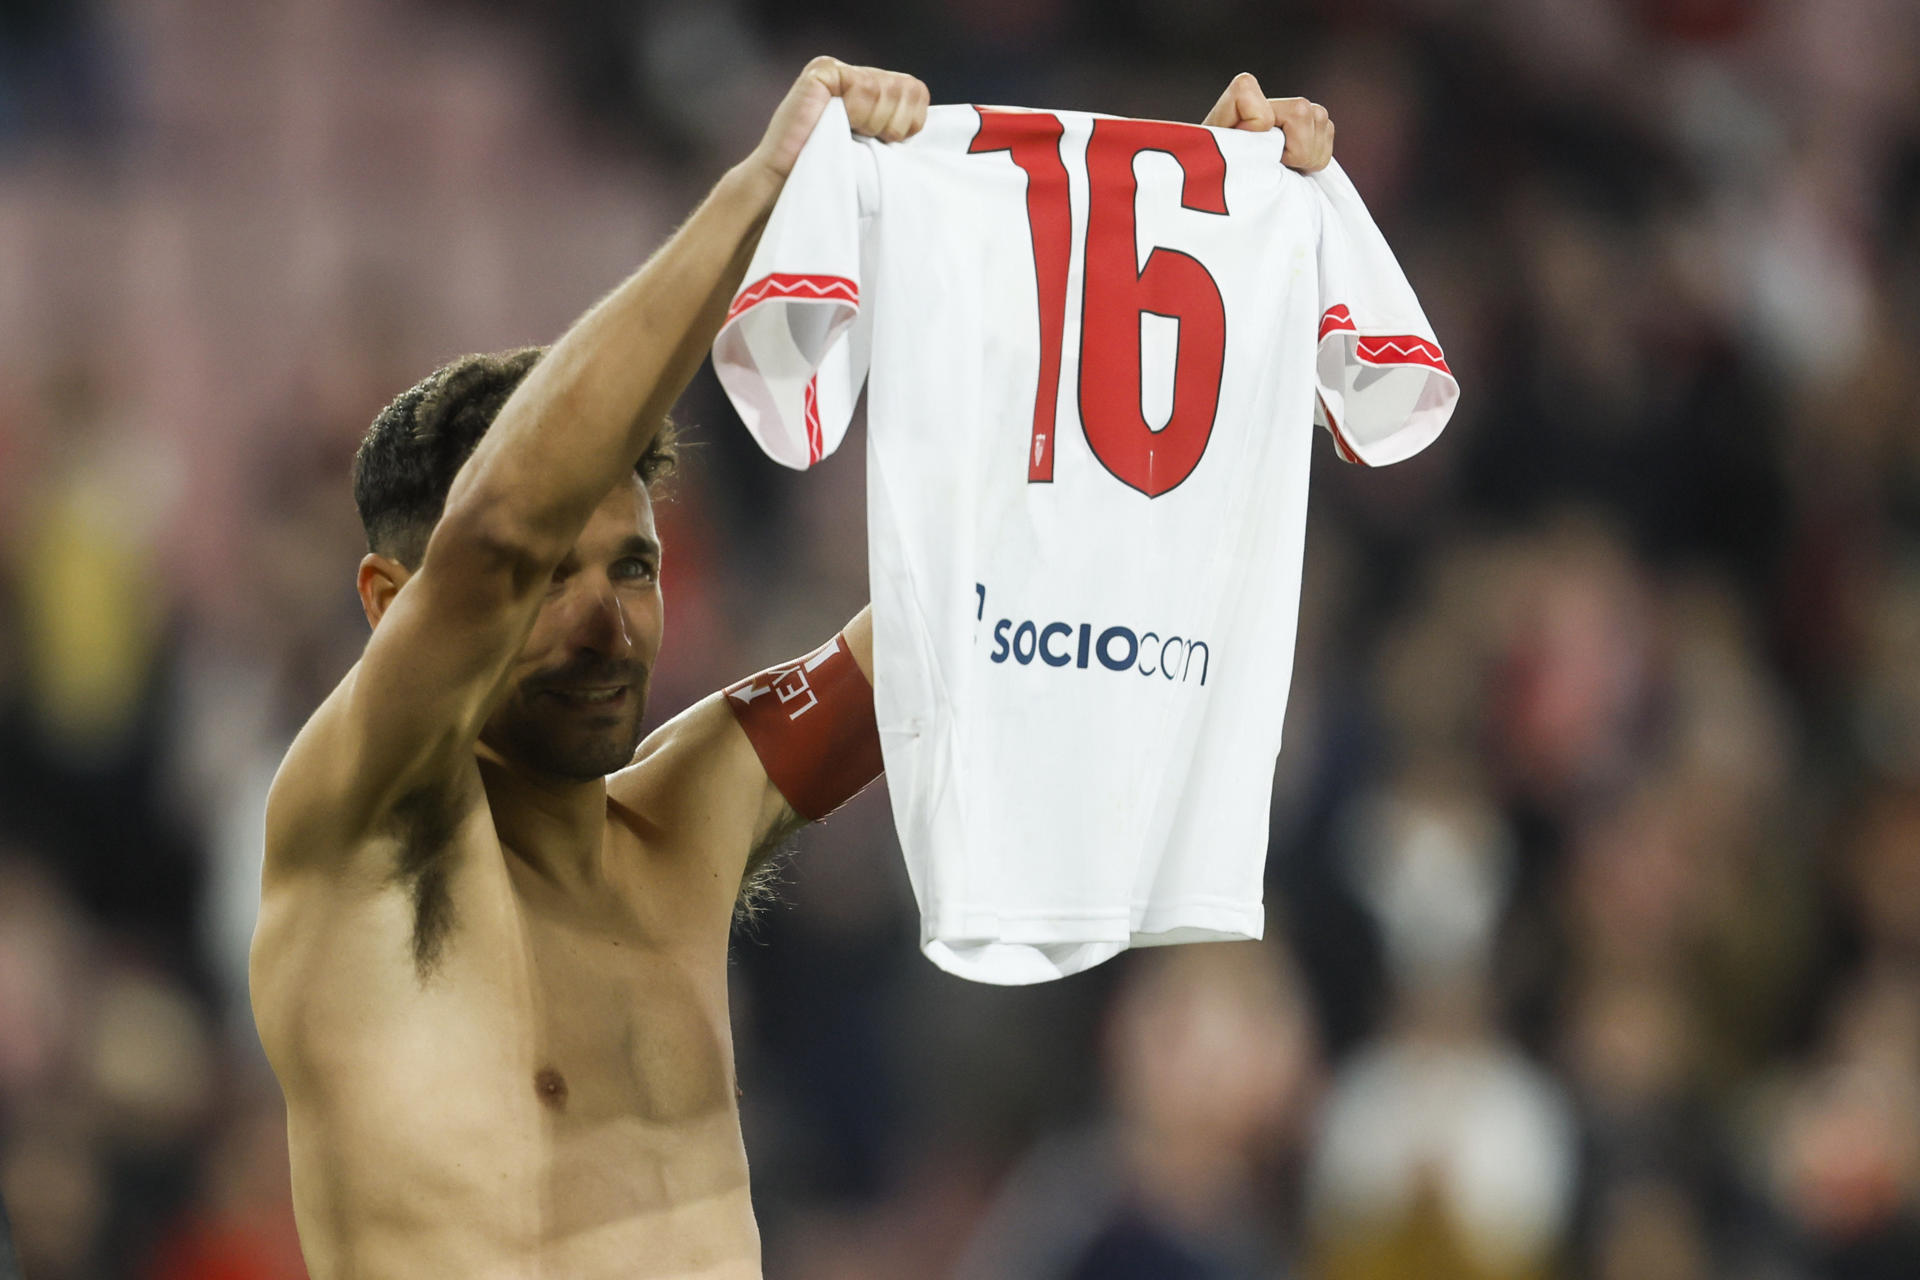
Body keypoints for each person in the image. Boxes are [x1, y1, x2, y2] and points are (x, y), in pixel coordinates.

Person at [250, 57, 1335, 1280]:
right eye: (554, 578)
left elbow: (991, 589)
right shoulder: (353, 840)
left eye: (636, 567)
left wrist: (1177, 244)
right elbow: (498, 526)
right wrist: (761, 196)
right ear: (391, 604)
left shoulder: (684, 825)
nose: (608, 623)